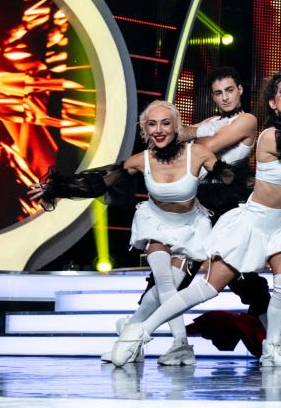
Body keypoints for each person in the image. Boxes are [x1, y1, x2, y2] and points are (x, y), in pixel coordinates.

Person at [98, 70, 281, 367]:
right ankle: (140, 330)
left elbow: (210, 144)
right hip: (222, 211)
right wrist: (168, 129)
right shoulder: (263, 132)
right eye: (218, 92)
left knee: (274, 283)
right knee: (188, 283)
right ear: (271, 102)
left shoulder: (250, 121)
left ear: (240, 90)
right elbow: (198, 138)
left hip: (262, 214)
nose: (225, 97)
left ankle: (279, 345)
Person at [29, 100, 222, 366]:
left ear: (176, 126)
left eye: (165, 123)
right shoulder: (140, 160)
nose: (159, 129)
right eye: (152, 124)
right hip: (156, 223)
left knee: (165, 290)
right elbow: (99, 182)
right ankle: (180, 344)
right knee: (164, 282)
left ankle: (130, 330)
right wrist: (55, 189)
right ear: (145, 130)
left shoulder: (197, 153)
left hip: (191, 227)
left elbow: (232, 180)